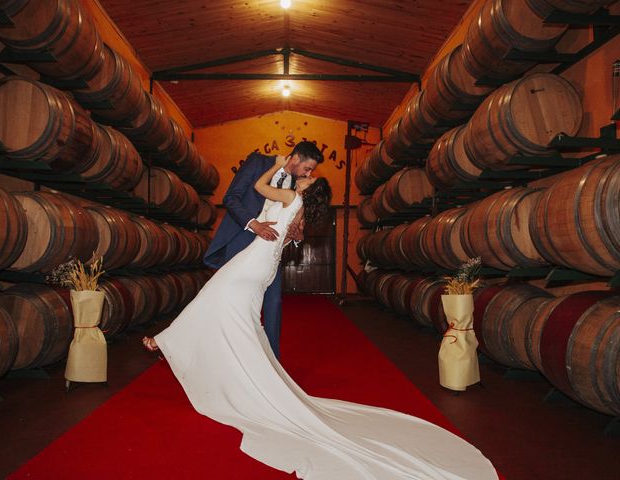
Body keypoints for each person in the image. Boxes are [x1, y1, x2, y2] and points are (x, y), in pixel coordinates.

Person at [142, 156, 497, 480]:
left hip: (251, 265)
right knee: (232, 314)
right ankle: (207, 356)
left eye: (311, 178)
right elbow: (278, 225)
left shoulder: (291, 199)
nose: (307, 177)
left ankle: (171, 342)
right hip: (261, 269)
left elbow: (257, 188)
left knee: (213, 298)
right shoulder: (299, 211)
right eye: (307, 173)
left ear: (308, 190)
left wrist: (277, 165)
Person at [202, 141, 324, 359]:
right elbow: (231, 197)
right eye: (308, 168)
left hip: (269, 249)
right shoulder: (258, 162)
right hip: (243, 235)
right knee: (230, 297)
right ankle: (223, 353)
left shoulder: (298, 186)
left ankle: (271, 360)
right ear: (295, 158)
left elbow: (297, 224)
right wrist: (253, 224)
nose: (309, 173)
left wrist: (297, 237)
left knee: (274, 301)